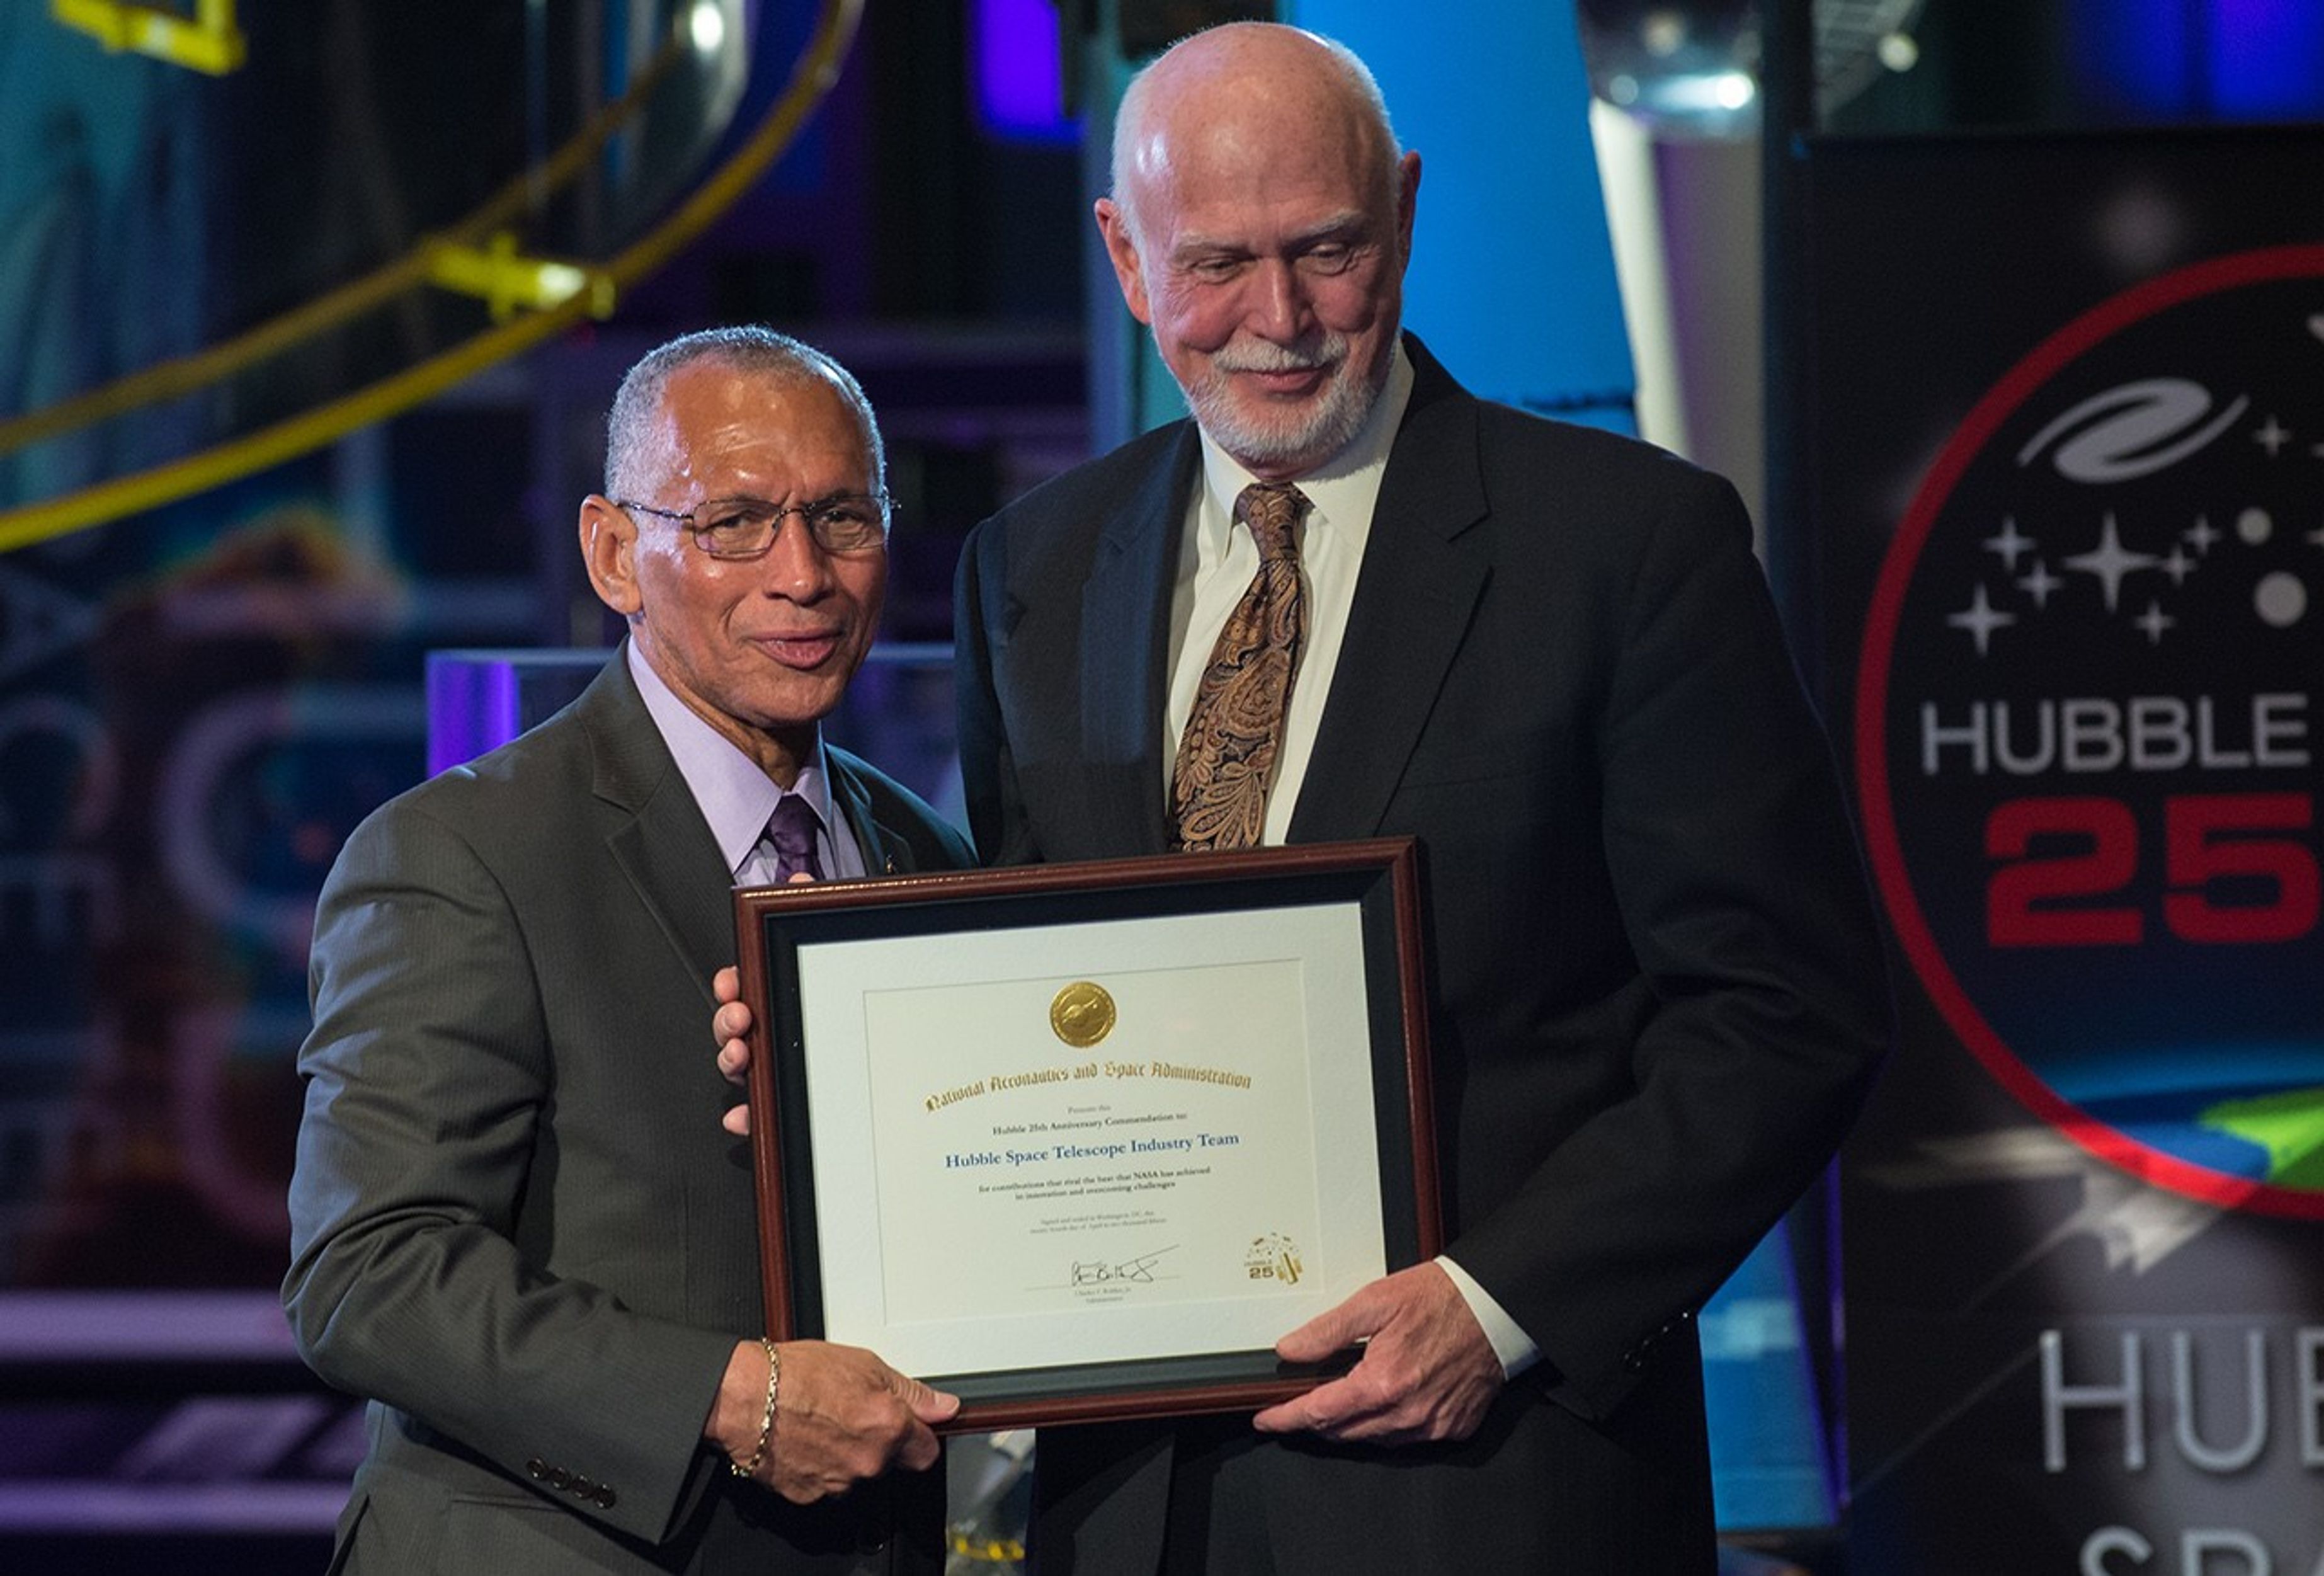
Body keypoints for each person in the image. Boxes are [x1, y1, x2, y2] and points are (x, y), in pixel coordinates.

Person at [947, 23, 1891, 1573]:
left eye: (1327, 249)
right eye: (1217, 265)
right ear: (1123, 254)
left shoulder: (1628, 546)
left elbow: (1788, 1012)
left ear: (1404, 207)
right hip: (1130, 1512)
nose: (1280, 320)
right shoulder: (1031, 570)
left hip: (1492, 1485)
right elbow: (1037, 978)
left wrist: (1502, 1308)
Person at [285, 326, 973, 1574]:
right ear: (613, 551)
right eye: (735, 524)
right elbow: (369, 1275)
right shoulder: (458, 853)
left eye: (844, 519)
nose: (804, 574)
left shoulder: (924, 850)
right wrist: (731, 1398)